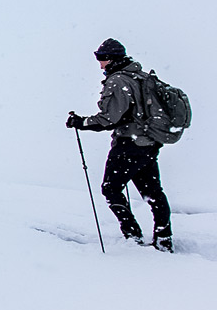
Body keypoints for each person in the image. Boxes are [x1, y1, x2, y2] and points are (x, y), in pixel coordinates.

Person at [66, 38, 172, 252]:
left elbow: (109, 118)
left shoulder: (118, 81)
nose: (101, 64)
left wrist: (81, 122)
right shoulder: (141, 77)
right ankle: (164, 238)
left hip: (129, 144)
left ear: (113, 59)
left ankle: (132, 235)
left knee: (111, 188)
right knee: (153, 192)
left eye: (103, 59)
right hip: (149, 143)